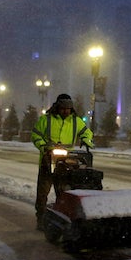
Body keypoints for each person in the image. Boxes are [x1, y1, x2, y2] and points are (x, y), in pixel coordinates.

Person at [31, 93, 94, 230]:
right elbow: (36, 134)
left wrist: (86, 140)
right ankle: (40, 217)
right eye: (63, 108)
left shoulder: (76, 121)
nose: (66, 111)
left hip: (66, 162)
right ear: (57, 107)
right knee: (42, 192)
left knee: (63, 192)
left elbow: (86, 132)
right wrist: (43, 146)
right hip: (47, 161)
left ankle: (62, 217)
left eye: (68, 109)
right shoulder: (46, 120)